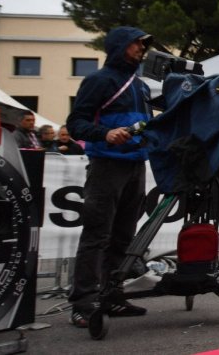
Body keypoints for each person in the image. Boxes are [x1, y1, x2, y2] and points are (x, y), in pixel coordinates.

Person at [65, 27, 154, 327]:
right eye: (138, 43)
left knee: (123, 237)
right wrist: (105, 134)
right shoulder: (98, 81)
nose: (143, 48)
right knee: (96, 236)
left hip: (136, 166)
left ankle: (112, 296)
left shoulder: (141, 86)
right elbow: (75, 124)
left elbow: (148, 124)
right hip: (106, 166)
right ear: (120, 46)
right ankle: (83, 303)